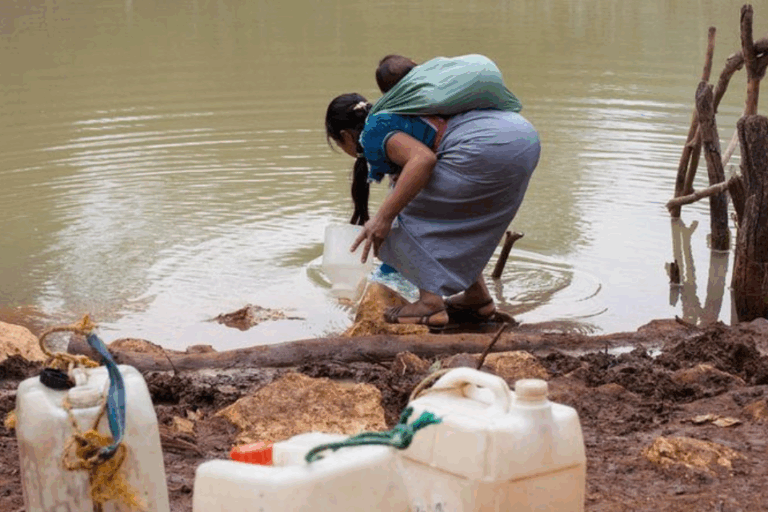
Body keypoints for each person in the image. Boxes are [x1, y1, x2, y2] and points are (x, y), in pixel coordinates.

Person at [324, 57, 540, 329]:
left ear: (344, 136)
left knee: (397, 217)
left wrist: (383, 218)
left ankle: (430, 305)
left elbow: (423, 160)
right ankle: (478, 299)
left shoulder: (375, 131)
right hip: (520, 136)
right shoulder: (404, 111)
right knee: (452, 217)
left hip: (486, 148)